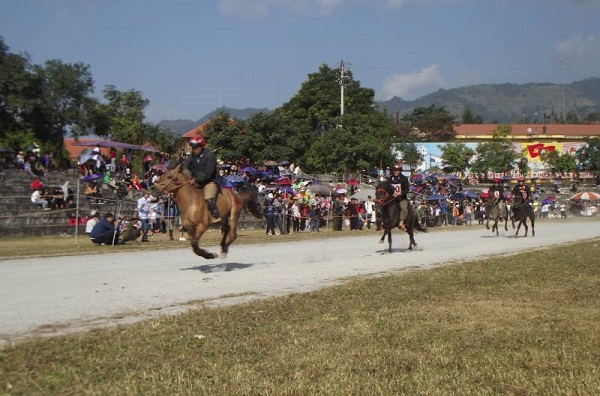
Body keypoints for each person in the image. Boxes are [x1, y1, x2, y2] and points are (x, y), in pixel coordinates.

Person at [182, 136, 221, 223]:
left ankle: (215, 216)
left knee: (209, 197)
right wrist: (187, 173)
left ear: (201, 146)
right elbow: (185, 166)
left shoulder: (210, 156)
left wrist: (195, 180)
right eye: (192, 147)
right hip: (197, 182)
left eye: (196, 147)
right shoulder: (192, 156)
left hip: (210, 182)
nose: (194, 149)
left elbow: (208, 174)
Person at [388, 163, 410, 231]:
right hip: (392, 198)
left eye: (397, 170)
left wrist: (400, 193)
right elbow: (387, 187)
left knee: (404, 208)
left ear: (400, 171)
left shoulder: (404, 179)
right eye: (394, 170)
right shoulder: (390, 178)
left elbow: (407, 189)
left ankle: (401, 222)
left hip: (401, 198)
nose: (395, 171)